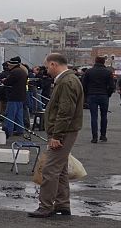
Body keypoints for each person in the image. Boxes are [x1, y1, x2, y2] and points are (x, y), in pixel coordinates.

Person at [29, 53, 84, 218]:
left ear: (53, 64)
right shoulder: (69, 80)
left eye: (47, 67)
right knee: (59, 170)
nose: (46, 70)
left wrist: (57, 136)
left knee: (50, 169)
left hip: (63, 132)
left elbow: (65, 111)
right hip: (66, 130)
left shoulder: (66, 82)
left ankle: (45, 207)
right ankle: (62, 204)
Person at [81, 56, 114, 143]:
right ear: (104, 62)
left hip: (92, 95)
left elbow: (84, 84)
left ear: (95, 61)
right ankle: (103, 135)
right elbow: (112, 86)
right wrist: (108, 94)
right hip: (104, 95)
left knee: (94, 116)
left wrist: (87, 94)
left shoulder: (89, 71)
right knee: (104, 116)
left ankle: (94, 137)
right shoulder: (108, 72)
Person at [1, 57, 28, 136]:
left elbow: (8, 82)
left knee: (10, 115)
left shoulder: (14, 72)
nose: (8, 66)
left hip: (13, 97)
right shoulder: (22, 71)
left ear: (12, 65)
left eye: (9, 65)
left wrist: (4, 80)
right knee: (19, 115)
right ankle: (20, 130)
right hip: (21, 96)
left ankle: (8, 131)